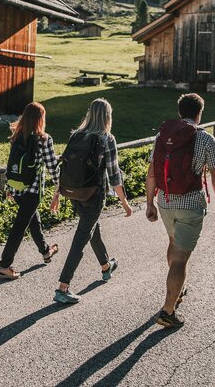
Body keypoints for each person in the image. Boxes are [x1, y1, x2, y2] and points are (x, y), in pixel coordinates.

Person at [146, 93, 215, 328]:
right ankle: (168, 311)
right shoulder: (205, 139)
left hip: (166, 202)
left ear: (180, 112)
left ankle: (175, 290)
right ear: (199, 113)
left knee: (173, 243)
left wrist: (150, 202)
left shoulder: (162, 136)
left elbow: (152, 172)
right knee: (181, 257)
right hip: (190, 204)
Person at [51, 98, 133, 304]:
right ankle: (63, 287)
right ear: (107, 117)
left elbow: (65, 167)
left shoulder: (76, 135)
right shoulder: (107, 138)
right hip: (93, 195)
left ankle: (106, 266)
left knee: (91, 227)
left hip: (73, 192)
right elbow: (114, 176)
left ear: (89, 114)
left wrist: (57, 194)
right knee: (81, 237)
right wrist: (124, 202)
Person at [0, 102, 60, 280]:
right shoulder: (44, 139)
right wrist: (59, 187)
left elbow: (12, 164)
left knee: (33, 220)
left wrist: (9, 187)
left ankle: (46, 251)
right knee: (19, 228)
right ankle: (4, 266)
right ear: (40, 119)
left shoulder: (17, 136)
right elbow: (52, 167)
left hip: (17, 189)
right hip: (32, 192)